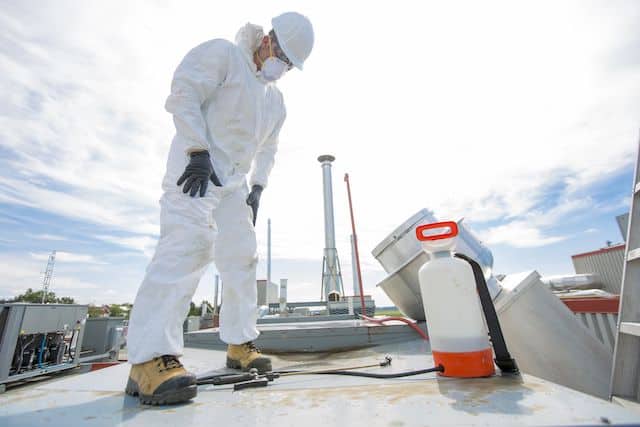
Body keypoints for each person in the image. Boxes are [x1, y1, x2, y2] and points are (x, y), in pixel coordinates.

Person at [124, 12, 314, 405]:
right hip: (197, 167)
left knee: (243, 255)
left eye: (290, 64)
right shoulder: (225, 55)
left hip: (233, 183)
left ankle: (240, 345)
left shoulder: (275, 100)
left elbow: (269, 148)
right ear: (267, 40)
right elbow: (185, 91)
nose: (283, 66)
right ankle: (148, 359)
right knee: (188, 244)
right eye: (282, 55)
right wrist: (196, 149)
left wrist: (258, 187)